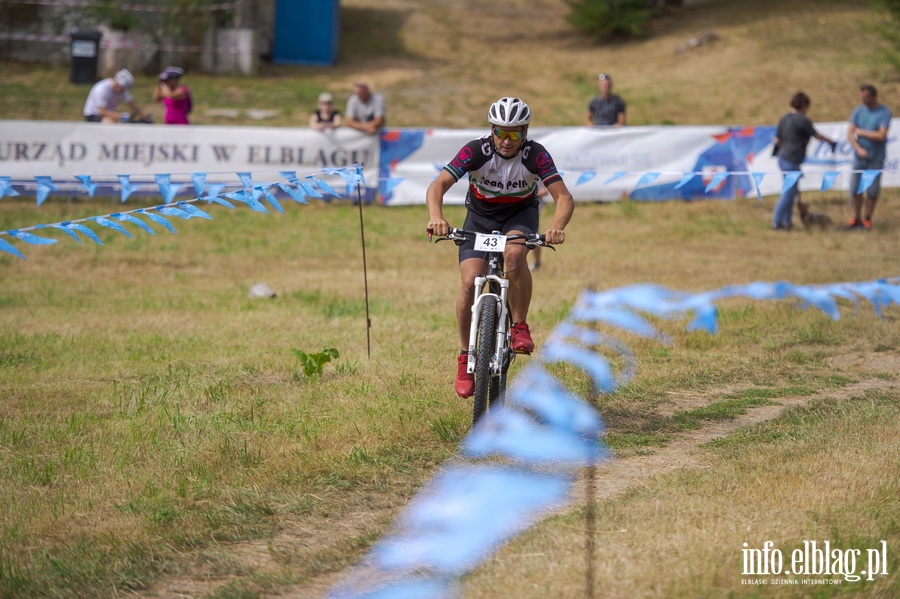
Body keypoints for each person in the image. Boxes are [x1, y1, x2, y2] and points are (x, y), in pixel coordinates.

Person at [426, 97, 575, 398]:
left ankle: (519, 325)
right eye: (500, 133)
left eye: (515, 134)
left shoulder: (536, 155)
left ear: (525, 132)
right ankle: (465, 355)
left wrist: (557, 226)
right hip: (479, 218)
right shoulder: (475, 151)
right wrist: (436, 216)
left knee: (514, 255)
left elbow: (564, 197)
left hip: (519, 216)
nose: (506, 141)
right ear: (491, 130)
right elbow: (437, 185)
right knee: (469, 282)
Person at [771, 91, 837, 230]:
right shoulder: (802, 120)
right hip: (791, 159)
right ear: (804, 105)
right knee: (789, 192)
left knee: (791, 192)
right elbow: (815, 134)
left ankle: (787, 222)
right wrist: (829, 141)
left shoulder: (784, 118)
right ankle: (777, 222)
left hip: (783, 158)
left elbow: (777, 139)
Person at [847, 84, 892, 230]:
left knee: (872, 190)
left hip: (875, 157)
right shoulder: (858, 110)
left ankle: (868, 218)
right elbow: (850, 133)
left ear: (873, 97)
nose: (863, 100)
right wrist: (858, 148)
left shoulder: (884, 112)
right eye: (861, 97)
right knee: (855, 189)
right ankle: (855, 217)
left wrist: (862, 133)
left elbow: (881, 134)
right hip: (859, 157)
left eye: (865, 97)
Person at [82, 68, 147, 123]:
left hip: (106, 113)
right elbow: (102, 112)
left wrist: (142, 115)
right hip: (93, 114)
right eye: (122, 88)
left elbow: (132, 104)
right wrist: (121, 116)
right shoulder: (102, 89)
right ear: (117, 82)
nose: (123, 91)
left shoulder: (122, 89)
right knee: (108, 121)